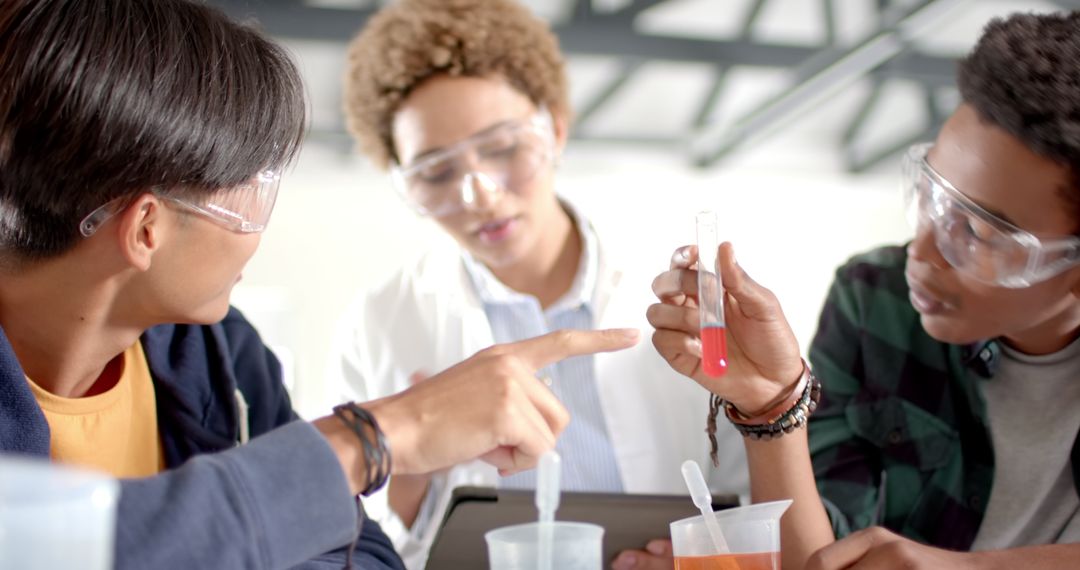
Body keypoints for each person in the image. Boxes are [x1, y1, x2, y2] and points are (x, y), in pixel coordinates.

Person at [0, 1, 639, 568]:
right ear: (146, 229)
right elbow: (57, 546)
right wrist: (380, 436)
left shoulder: (218, 354)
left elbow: (361, 553)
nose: (479, 193)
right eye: (247, 190)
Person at [648, 10, 1080, 570]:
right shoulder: (874, 299)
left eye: (977, 232)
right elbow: (823, 561)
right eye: (933, 195)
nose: (921, 254)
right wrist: (772, 401)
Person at [333, 0, 749, 568]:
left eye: (503, 148)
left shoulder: (680, 285)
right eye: (435, 173)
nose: (481, 196)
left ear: (554, 129)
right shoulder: (381, 323)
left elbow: (754, 484)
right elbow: (371, 539)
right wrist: (411, 456)